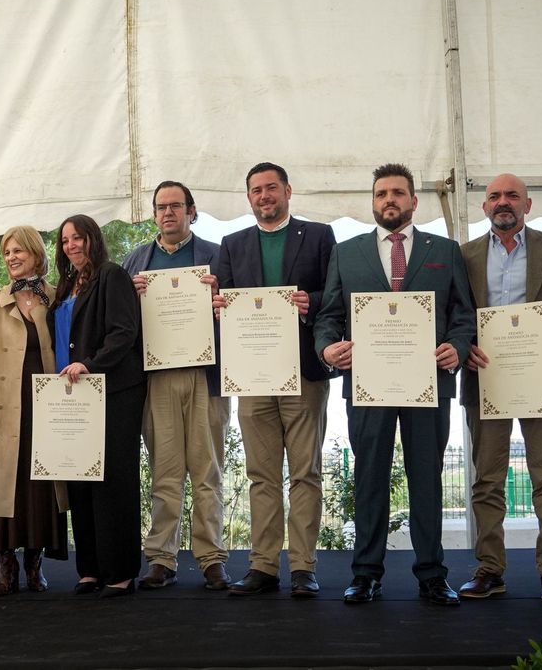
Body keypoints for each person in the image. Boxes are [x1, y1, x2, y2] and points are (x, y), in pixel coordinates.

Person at [315, 163, 475, 607]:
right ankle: (365, 573)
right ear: (372, 201)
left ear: (413, 201)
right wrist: (328, 349)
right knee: (368, 479)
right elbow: (329, 316)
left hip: (429, 385)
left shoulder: (445, 250)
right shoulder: (347, 253)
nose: (390, 200)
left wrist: (457, 348)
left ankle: (431, 574)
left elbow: (463, 314)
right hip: (367, 385)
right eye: (382, 193)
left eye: (398, 193)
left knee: (427, 479)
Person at [211, 162, 335, 598]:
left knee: (306, 473)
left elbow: (334, 295)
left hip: (304, 371)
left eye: (271, 188)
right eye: (256, 190)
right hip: (252, 375)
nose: (264, 196)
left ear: (287, 191)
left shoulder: (319, 236)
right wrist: (216, 303)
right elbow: (221, 301)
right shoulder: (232, 244)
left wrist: (311, 300)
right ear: (248, 198)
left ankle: (303, 566)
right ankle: (263, 566)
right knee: (261, 475)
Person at [457, 174, 542, 603]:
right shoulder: (465, 254)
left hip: (540, 375)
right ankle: (490, 567)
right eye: (494, 196)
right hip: (483, 374)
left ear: (528, 203)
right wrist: (463, 343)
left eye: (511, 196)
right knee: (487, 479)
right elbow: (458, 313)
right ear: (484, 206)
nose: (502, 202)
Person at [123, 181, 230, 590]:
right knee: (164, 471)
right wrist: (131, 300)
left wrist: (222, 297)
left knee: (208, 471)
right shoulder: (135, 261)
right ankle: (161, 558)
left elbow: (237, 313)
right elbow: (121, 325)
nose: (168, 213)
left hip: (207, 374)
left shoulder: (218, 258)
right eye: (161, 207)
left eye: (176, 206)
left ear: (192, 210)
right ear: (153, 214)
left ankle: (211, 558)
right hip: (158, 377)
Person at [52, 215, 147, 597]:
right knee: (79, 477)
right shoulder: (64, 287)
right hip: (71, 395)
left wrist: (90, 365)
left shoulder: (112, 275)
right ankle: (89, 568)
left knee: (113, 480)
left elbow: (124, 331)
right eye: (64, 240)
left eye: (78, 238)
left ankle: (120, 571)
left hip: (112, 391)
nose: (71, 245)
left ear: (93, 239)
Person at [0, 225, 69, 596]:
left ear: (36, 254)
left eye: (19, 251)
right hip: (3, 406)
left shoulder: (57, 297)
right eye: (7, 252)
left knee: (40, 486)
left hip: (46, 404)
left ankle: (34, 563)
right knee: (4, 484)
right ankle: (4, 567)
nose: (11, 257)